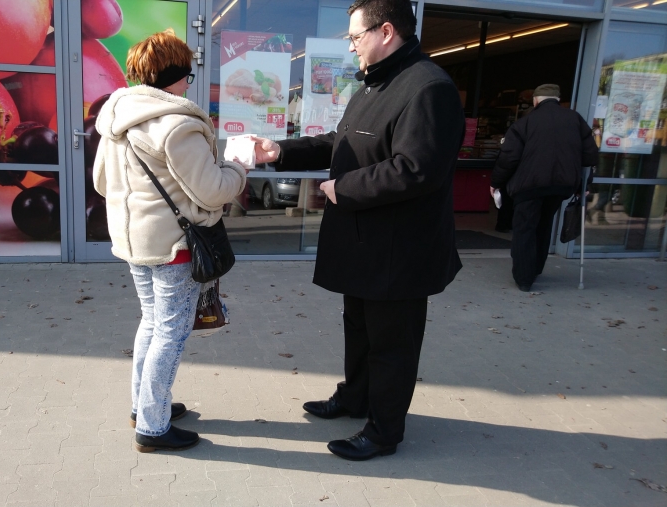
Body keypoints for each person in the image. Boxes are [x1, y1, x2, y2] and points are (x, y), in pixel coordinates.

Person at [251, 0, 464, 461]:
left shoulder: (428, 88)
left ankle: (384, 431)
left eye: (354, 37)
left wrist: (341, 188)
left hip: (398, 252)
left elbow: (416, 170)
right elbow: (340, 142)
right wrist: (280, 152)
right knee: (360, 330)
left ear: (385, 32)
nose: (351, 47)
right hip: (365, 245)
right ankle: (356, 397)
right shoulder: (376, 83)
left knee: (392, 343)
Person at [93, 29, 247, 453]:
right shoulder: (177, 126)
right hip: (174, 247)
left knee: (151, 322)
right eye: (188, 75)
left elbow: (102, 183)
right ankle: (153, 427)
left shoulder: (116, 118)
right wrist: (238, 167)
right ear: (175, 76)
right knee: (171, 333)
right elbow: (213, 191)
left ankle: (144, 406)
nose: (188, 83)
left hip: (134, 243)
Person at [490, 83, 598, 292]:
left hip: (529, 185)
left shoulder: (525, 122)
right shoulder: (575, 120)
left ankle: (524, 278)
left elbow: (509, 157)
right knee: (544, 224)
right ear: (557, 100)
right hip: (562, 186)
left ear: (536, 100)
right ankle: (537, 268)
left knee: (525, 228)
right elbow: (589, 156)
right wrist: (584, 184)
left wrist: (496, 183)